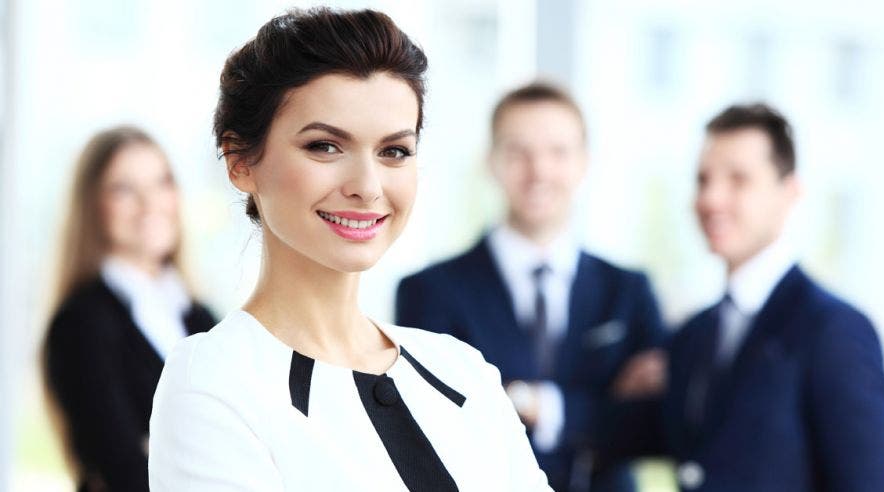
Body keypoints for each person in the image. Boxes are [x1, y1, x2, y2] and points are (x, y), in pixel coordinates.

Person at [147, 8, 550, 491]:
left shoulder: (464, 371)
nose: (367, 186)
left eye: (394, 151)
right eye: (324, 146)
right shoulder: (215, 382)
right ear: (240, 161)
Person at [396, 82, 665, 492]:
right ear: (491, 161)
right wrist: (597, 409)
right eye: (518, 151)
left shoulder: (629, 292)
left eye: (558, 152)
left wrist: (533, 403)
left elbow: (652, 427)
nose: (538, 171)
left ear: (584, 163)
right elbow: (438, 423)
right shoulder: (430, 292)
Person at [661, 103, 884, 491]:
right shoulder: (692, 336)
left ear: (789, 193)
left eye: (738, 180)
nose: (711, 199)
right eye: (703, 180)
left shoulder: (835, 331)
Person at [42, 125, 216, 492]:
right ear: (93, 206)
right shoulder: (81, 323)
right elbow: (123, 469)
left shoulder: (201, 318)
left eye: (161, 183)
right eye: (124, 189)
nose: (149, 203)